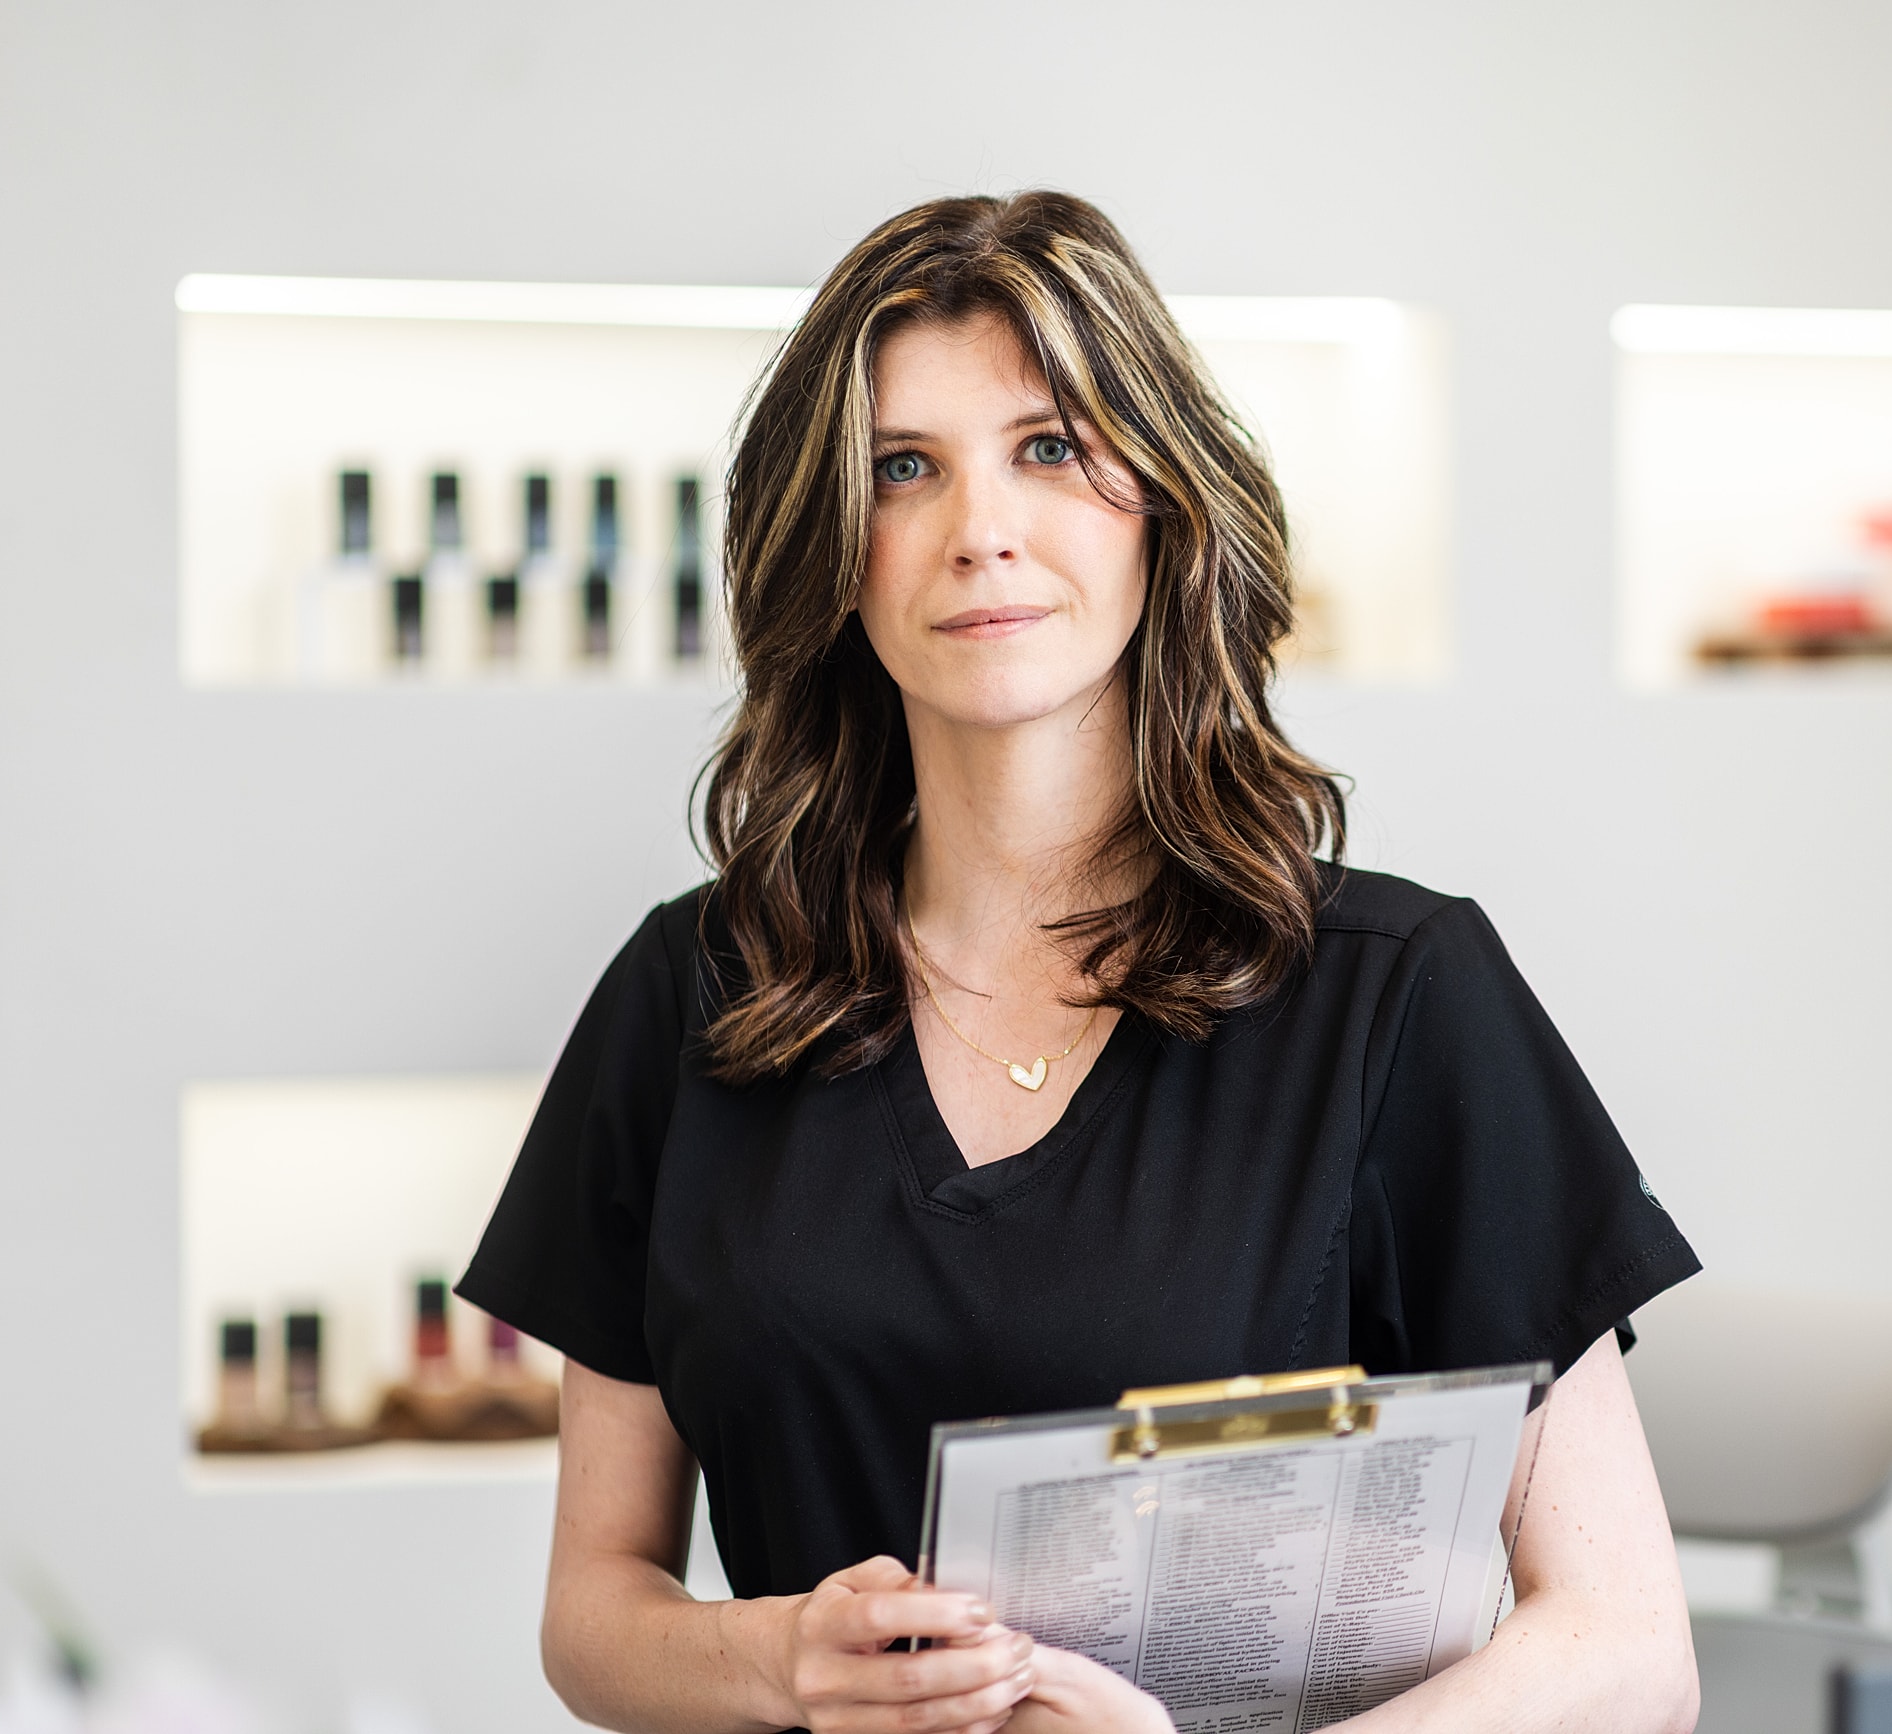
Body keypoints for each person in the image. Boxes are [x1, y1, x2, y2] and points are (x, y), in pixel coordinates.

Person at [457, 190, 1702, 1734]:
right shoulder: (690, 996)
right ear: (833, 551)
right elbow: (596, 1610)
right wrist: (784, 1655)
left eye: (1049, 447)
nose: (980, 526)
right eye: (903, 468)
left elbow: (1628, 1647)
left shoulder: (1398, 996)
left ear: (1161, 507)